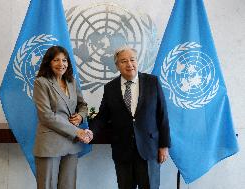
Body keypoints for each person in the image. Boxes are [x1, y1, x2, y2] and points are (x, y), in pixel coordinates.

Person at [91, 46, 170, 189]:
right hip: (123, 151)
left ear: (137, 61)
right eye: (123, 61)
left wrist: (164, 145)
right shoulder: (110, 88)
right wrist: (90, 132)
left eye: (132, 59)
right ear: (117, 65)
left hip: (149, 149)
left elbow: (162, 115)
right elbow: (102, 117)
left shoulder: (152, 82)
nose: (129, 64)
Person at [33, 45, 92, 189]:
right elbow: (46, 116)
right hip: (50, 143)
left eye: (64, 60)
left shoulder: (71, 81)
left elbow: (83, 105)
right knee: (47, 186)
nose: (61, 64)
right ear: (49, 62)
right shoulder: (41, 82)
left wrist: (80, 116)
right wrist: (77, 131)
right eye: (56, 60)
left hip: (71, 144)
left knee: (68, 186)